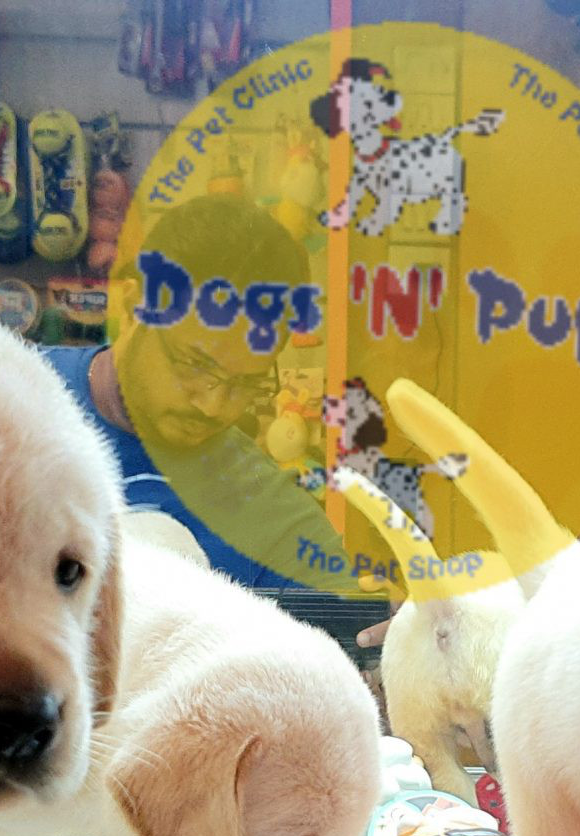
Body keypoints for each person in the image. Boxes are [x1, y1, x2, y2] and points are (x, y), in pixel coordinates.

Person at [38, 194, 354, 593]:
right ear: (135, 306)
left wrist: (407, 621)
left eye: (245, 384)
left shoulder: (267, 511)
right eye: (195, 365)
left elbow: (359, 623)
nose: (214, 405)